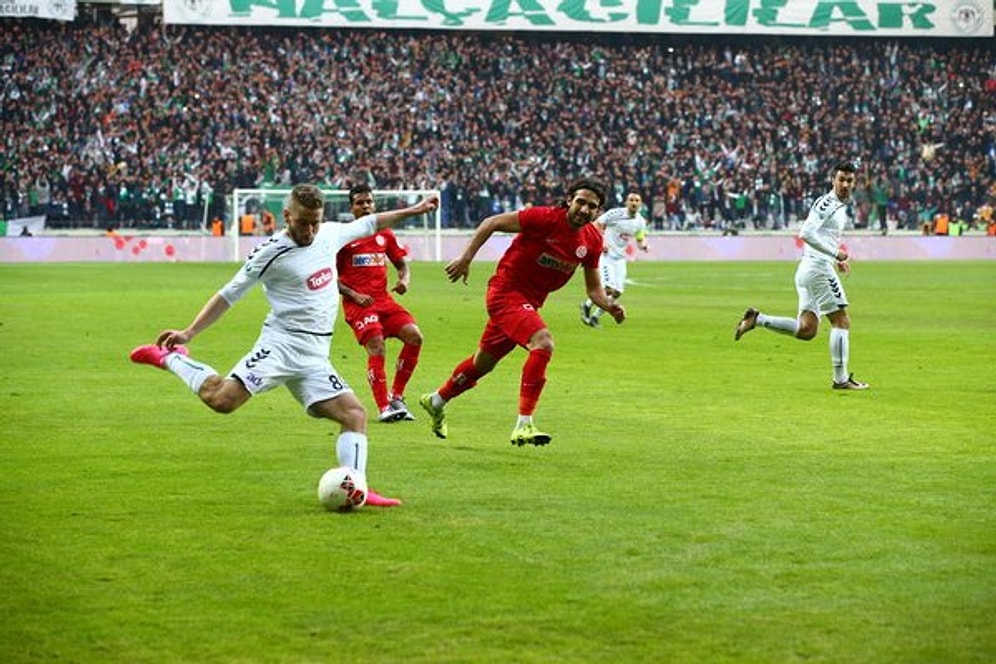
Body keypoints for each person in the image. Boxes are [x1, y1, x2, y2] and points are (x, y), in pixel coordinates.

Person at [129, 183, 439, 506]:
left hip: (316, 355)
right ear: (287, 215)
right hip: (280, 346)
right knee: (221, 400)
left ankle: (358, 485)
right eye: (303, 221)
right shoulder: (270, 252)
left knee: (354, 414)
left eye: (315, 221)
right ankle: (170, 358)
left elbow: (372, 223)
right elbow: (229, 294)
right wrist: (189, 333)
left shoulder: (330, 234)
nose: (310, 229)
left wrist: (415, 211)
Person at [419, 177, 625, 447]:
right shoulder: (543, 218)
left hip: (528, 303)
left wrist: (608, 306)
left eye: (592, 206)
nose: (585, 210)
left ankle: (436, 400)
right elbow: (491, 223)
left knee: (483, 363)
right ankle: (524, 425)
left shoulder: (592, 241)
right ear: (569, 200)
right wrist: (466, 258)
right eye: (581, 202)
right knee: (543, 342)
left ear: (598, 211)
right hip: (505, 293)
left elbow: (593, 290)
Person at [733, 160, 868, 390]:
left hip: (808, 267)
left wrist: (836, 259)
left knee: (807, 330)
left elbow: (822, 237)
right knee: (841, 321)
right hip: (817, 268)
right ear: (832, 180)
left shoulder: (838, 205)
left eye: (849, 180)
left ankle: (758, 319)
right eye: (841, 179)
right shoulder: (827, 203)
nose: (845, 184)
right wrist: (837, 253)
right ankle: (841, 379)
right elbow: (806, 233)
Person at [337, 183, 423, 423]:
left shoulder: (385, 233)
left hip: (384, 300)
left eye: (369, 202)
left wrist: (404, 280)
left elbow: (402, 264)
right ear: (351, 207)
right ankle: (384, 406)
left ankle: (397, 396)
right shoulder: (342, 238)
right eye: (360, 203)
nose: (366, 207)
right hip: (359, 305)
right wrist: (354, 295)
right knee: (377, 346)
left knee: (415, 337)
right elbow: (329, 278)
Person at [579, 189, 649, 328]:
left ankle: (595, 316)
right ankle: (586, 306)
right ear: (626, 202)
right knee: (608, 288)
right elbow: (597, 224)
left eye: (637, 200)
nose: (634, 203)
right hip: (606, 256)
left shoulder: (640, 221)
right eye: (631, 200)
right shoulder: (615, 213)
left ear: (640, 204)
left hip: (620, 259)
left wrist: (643, 245)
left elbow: (640, 239)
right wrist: (602, 242)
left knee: (618, 292)